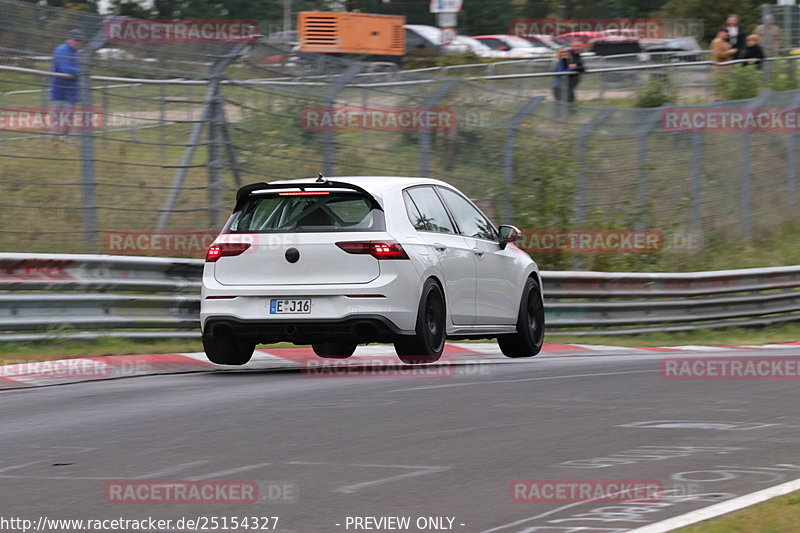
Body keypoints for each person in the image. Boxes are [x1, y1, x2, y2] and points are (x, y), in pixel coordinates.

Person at [50, 29, 84, 137]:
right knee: (58, 119)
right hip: (60, 92)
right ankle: (54, 139)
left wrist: (80, 70)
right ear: (69, 39)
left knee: (69, 119)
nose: (78, 42)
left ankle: (65, 139)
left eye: (80, 40)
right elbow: (64, 68)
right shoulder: (61, 50)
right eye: (76, 40)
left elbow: (82, 67)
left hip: (72, 93)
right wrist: (80, 71)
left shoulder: (77, 53)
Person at [552, 47, 575, 118]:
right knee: (559, 103)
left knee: (567, 101)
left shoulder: (566, 61)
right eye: (562, 52)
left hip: (565, 86)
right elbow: (561, 73)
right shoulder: (558, 62)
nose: (564, 54)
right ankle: (559, 118)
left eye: (565, 52)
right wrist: (571, 68)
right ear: (559, 54)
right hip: (558, 86)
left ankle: (566, 117)